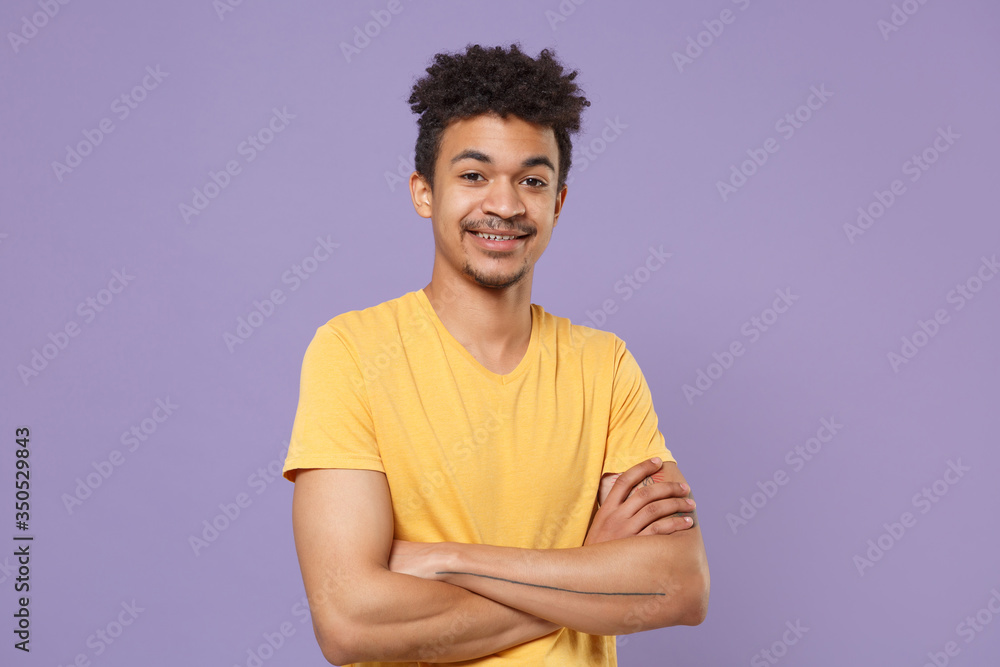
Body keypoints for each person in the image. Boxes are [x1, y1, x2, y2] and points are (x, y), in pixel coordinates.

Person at [282, 43, 709, 666]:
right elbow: (349, 623)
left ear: (558, 203)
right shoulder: (351, 352)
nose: (505, 205)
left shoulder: (605, 366)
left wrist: (451, 560)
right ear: (424, 192)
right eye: (474, 175)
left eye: (532, 181)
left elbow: (679, 586)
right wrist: (587, 571)